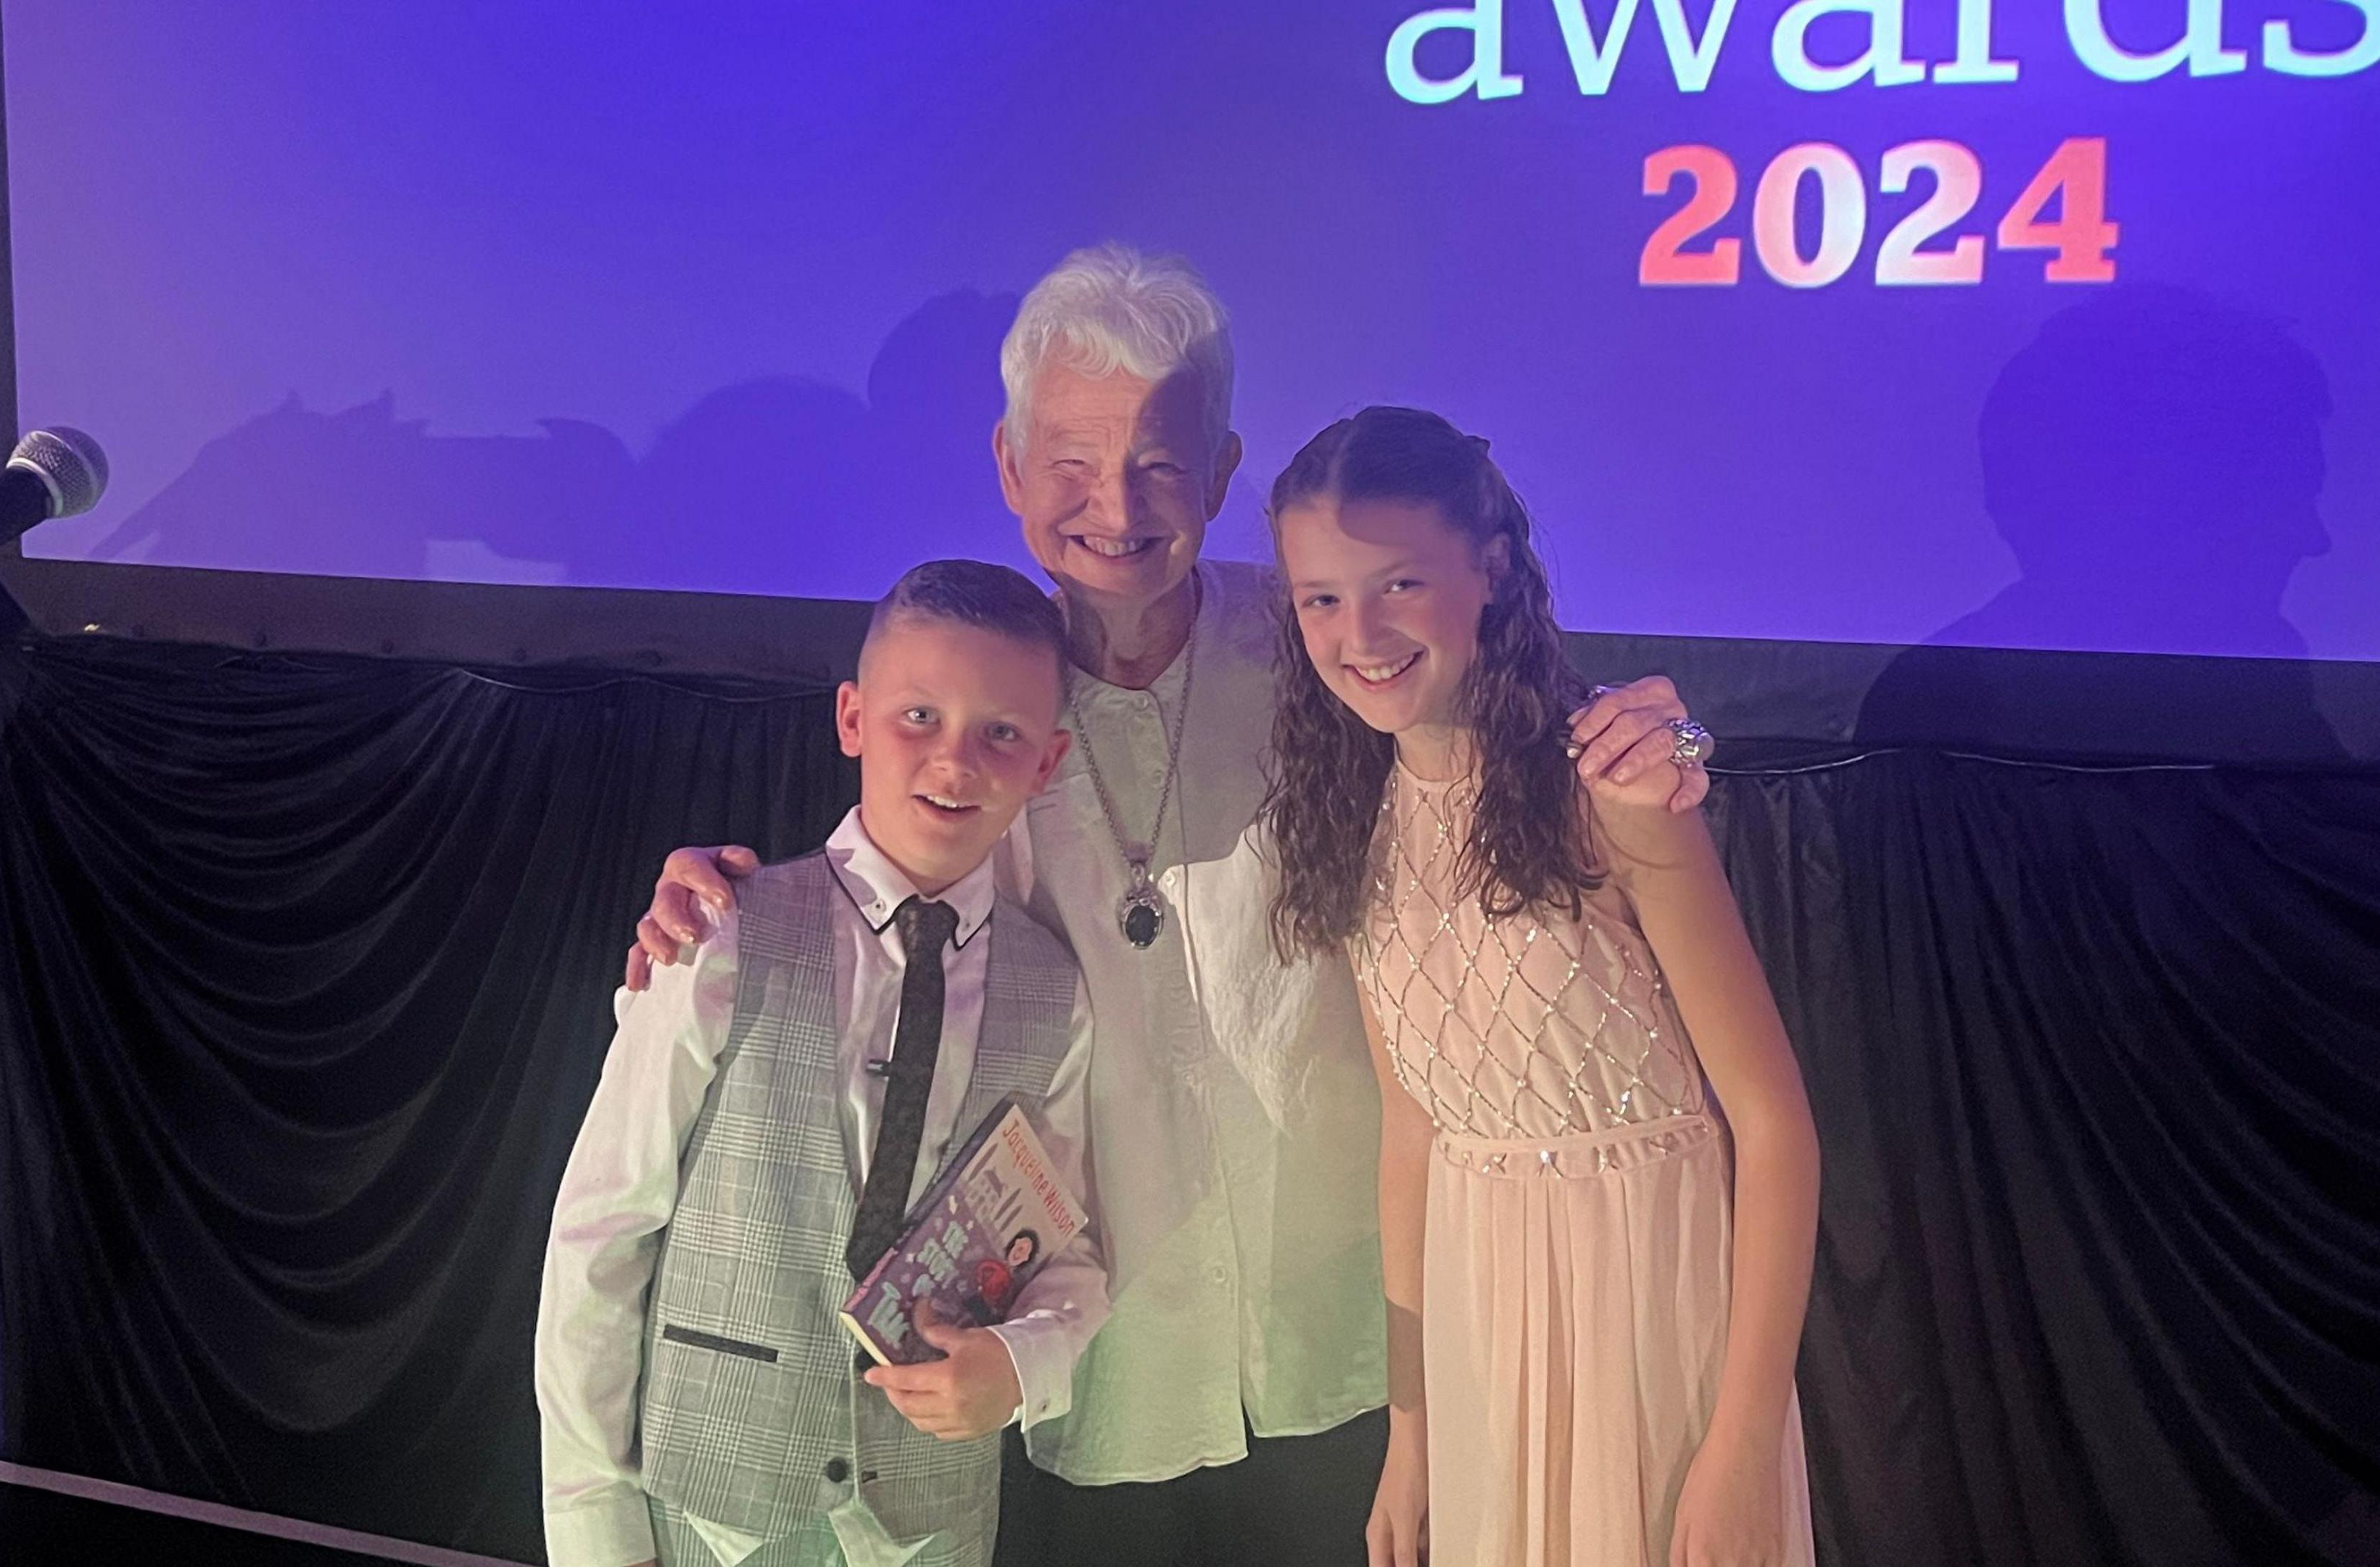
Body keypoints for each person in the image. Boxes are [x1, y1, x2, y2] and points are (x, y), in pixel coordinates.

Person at [627, 246, 1714, 1565]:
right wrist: (723, 895)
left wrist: (1677, 737)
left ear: (1220, 474)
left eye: (1159, 462)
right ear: (1011, 469)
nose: (1116, 505)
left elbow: (1527, 724)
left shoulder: (1322, 639)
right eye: (1073, 461)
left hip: (1352, 1330)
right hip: (1103, 1345)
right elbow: (880, 902)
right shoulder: (983, 694)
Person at [1261, 407, 1818, 1567]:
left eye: (1398, 582)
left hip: (1652, 1321)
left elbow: (1774, 1128)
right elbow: (1411, 1137)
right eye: (1321, 597)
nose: (1359, 630)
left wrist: (1745, 1442)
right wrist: (1409, 1435)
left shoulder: (1608, 788)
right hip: (1483, 1331)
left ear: (1492, 568)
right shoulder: (1357, 820)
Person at [537, 560, 1107, 1567]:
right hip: (715, 1511)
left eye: (1002, 733)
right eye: (918, 715)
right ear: (851, 717)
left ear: (1048, 760)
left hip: (931, 1521)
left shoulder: (1056, 991)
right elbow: (603, 1229)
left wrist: (1026, 1363)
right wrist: (595, 1529)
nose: (957, 760)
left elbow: (1064, 1241)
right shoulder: (720, 935)